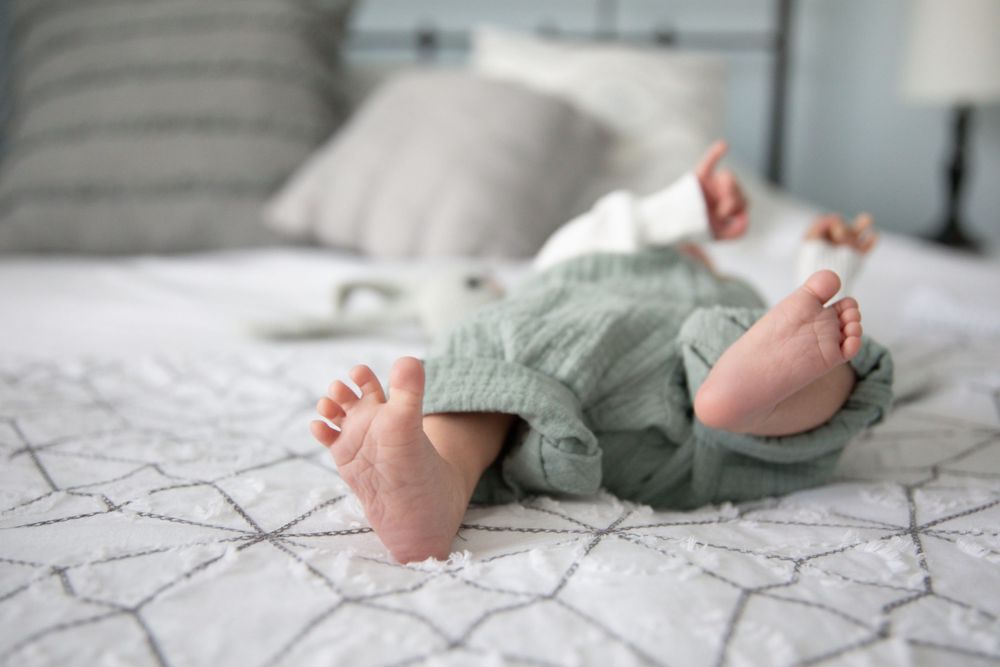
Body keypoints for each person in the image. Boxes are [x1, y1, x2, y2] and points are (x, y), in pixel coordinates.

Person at [309, 141, 893, 563]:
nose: (699, 253)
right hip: (689, 435)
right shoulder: (580, 258)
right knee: (824, 366)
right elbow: (621, 224)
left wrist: (814, 271)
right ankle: (737, 401)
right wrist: (690, 211)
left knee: (485, 373)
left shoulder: (704, 289)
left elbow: (803, 318)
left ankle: (446, 475)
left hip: (573, 422)